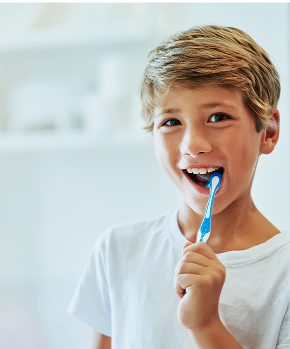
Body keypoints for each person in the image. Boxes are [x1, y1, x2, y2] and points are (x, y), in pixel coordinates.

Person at [68, 25, 290, 349]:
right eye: (171, 122)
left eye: (217, 117)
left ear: (268, 132)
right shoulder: (117, 251)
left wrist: (205, 326)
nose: (193, 145)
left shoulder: (282, 273)